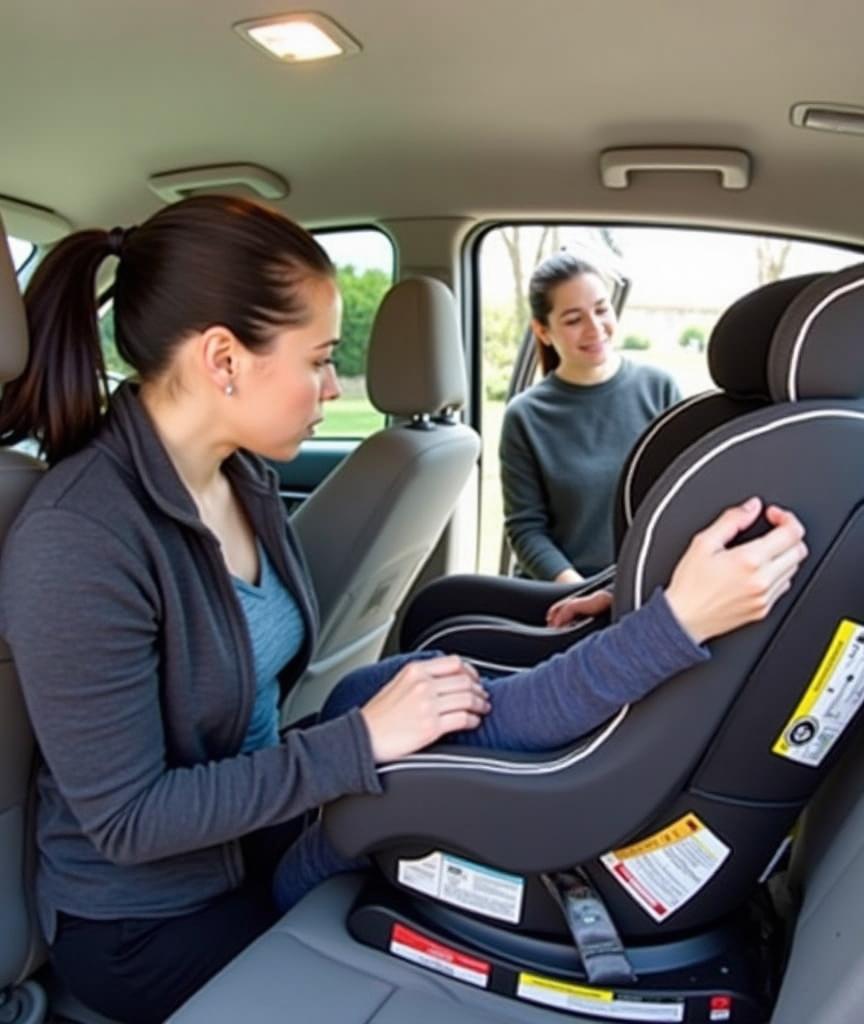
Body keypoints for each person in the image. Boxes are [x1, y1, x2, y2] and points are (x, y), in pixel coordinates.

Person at [0, 196, 807, 1023]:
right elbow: (131, 821)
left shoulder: (240, 478)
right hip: (144, 921)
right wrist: (362, 740)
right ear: (223, 359)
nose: (331, 387)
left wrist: (642, 614)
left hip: (250, 839)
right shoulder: (79, 540)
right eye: (317, 360)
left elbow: (325, 716)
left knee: (429, 704)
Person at [499, 252, 682, 583]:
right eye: (573, 319)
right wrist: (578, 592)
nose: (595, 329)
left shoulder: (660, 389)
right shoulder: (525, 416)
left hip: (644, 588)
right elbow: (526, 529)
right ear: (542, 331)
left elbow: (684, 499)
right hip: (562, 595)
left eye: (601, 310)